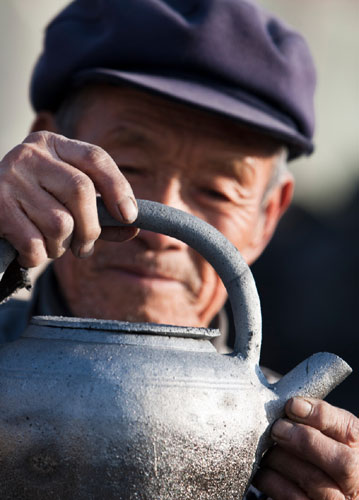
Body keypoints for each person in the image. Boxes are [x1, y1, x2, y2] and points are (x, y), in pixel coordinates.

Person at [0, 0, 358, 498]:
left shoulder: (286, 448)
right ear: (52, 159)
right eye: (124, 167)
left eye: (216, 192)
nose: (160, 228)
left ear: (268, 216)